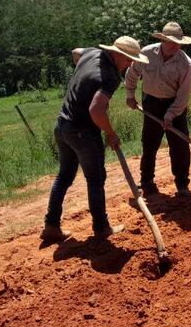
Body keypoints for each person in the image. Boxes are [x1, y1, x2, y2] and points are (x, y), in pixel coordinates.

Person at [42, 36, 149, 242]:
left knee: (64, 176)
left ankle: (51, 225)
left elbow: (75, 51)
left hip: (62, 125)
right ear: (117, 54)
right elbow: (96, 110)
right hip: (83, 131)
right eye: (128, 59)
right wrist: (110, 133)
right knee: (96, 178)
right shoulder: (110, 77)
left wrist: (84, 75)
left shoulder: (91, 53)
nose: (129, 64)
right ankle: (101, 227)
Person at [125, 22, 191, 198]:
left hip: (175, 105)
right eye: (172, 42)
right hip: (151, 104)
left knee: (180, 145)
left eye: (178, 42)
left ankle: (182, 184)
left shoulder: (186, 63)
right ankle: (147, 182)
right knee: (149, 144)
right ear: (163, 40)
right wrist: (130, 95)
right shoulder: (147, 53)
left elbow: (183, 96)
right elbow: (132, 73)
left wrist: (170, 115)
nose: (176, 46)